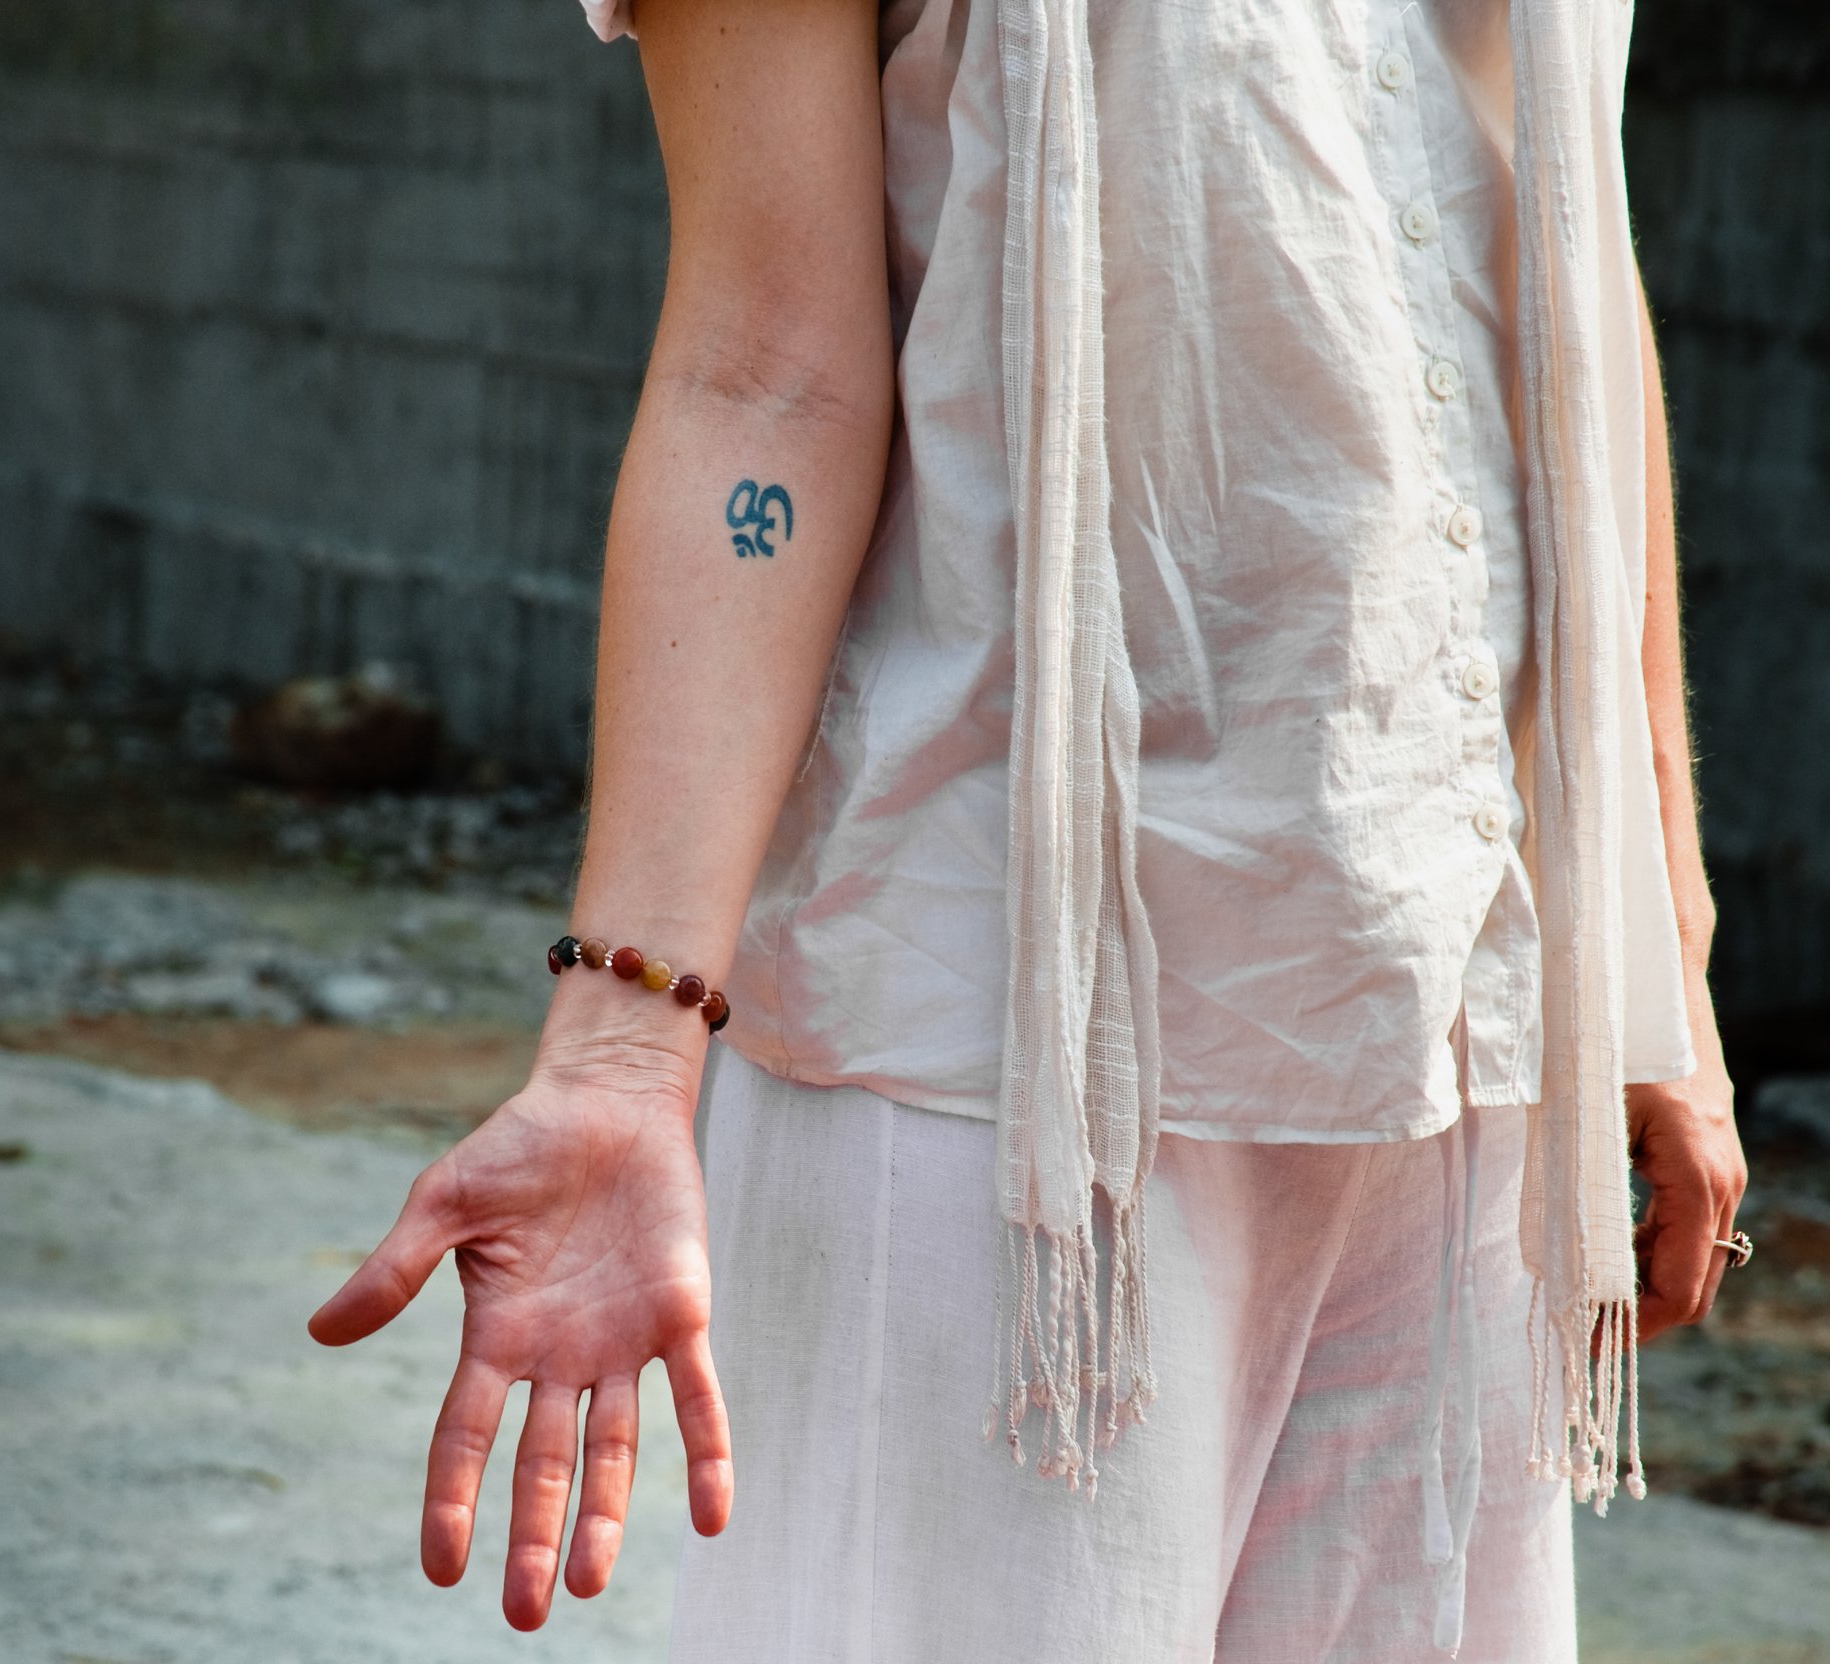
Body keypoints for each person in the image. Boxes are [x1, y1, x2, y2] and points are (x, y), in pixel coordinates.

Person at [309, 0, 1752, 1655]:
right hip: (999, 1060)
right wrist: (622, 1054)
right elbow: (763, 375)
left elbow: (1567, 260)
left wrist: (1657, 953)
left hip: (1461, 1016)